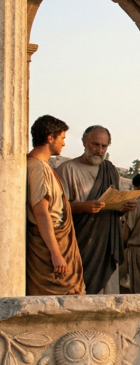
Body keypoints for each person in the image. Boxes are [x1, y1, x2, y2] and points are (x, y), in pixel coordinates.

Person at [56, 125, 137, 294]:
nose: (99, 150)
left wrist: (125, 208)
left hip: (107, 245)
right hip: (80, 244)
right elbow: (58, 209)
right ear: (84, 142)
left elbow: (115, 208)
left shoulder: (110, 170)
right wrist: (84, 207)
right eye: (95, 145)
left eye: (104, 146)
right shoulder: (67, 169)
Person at [25, 115, 85, 296]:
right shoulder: (38, 168)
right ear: (50, 138)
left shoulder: (39, 165)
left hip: (56, 241)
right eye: (62, 138)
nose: (64, 144)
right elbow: (41, 211)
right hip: (50, 245)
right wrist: (56, 253)